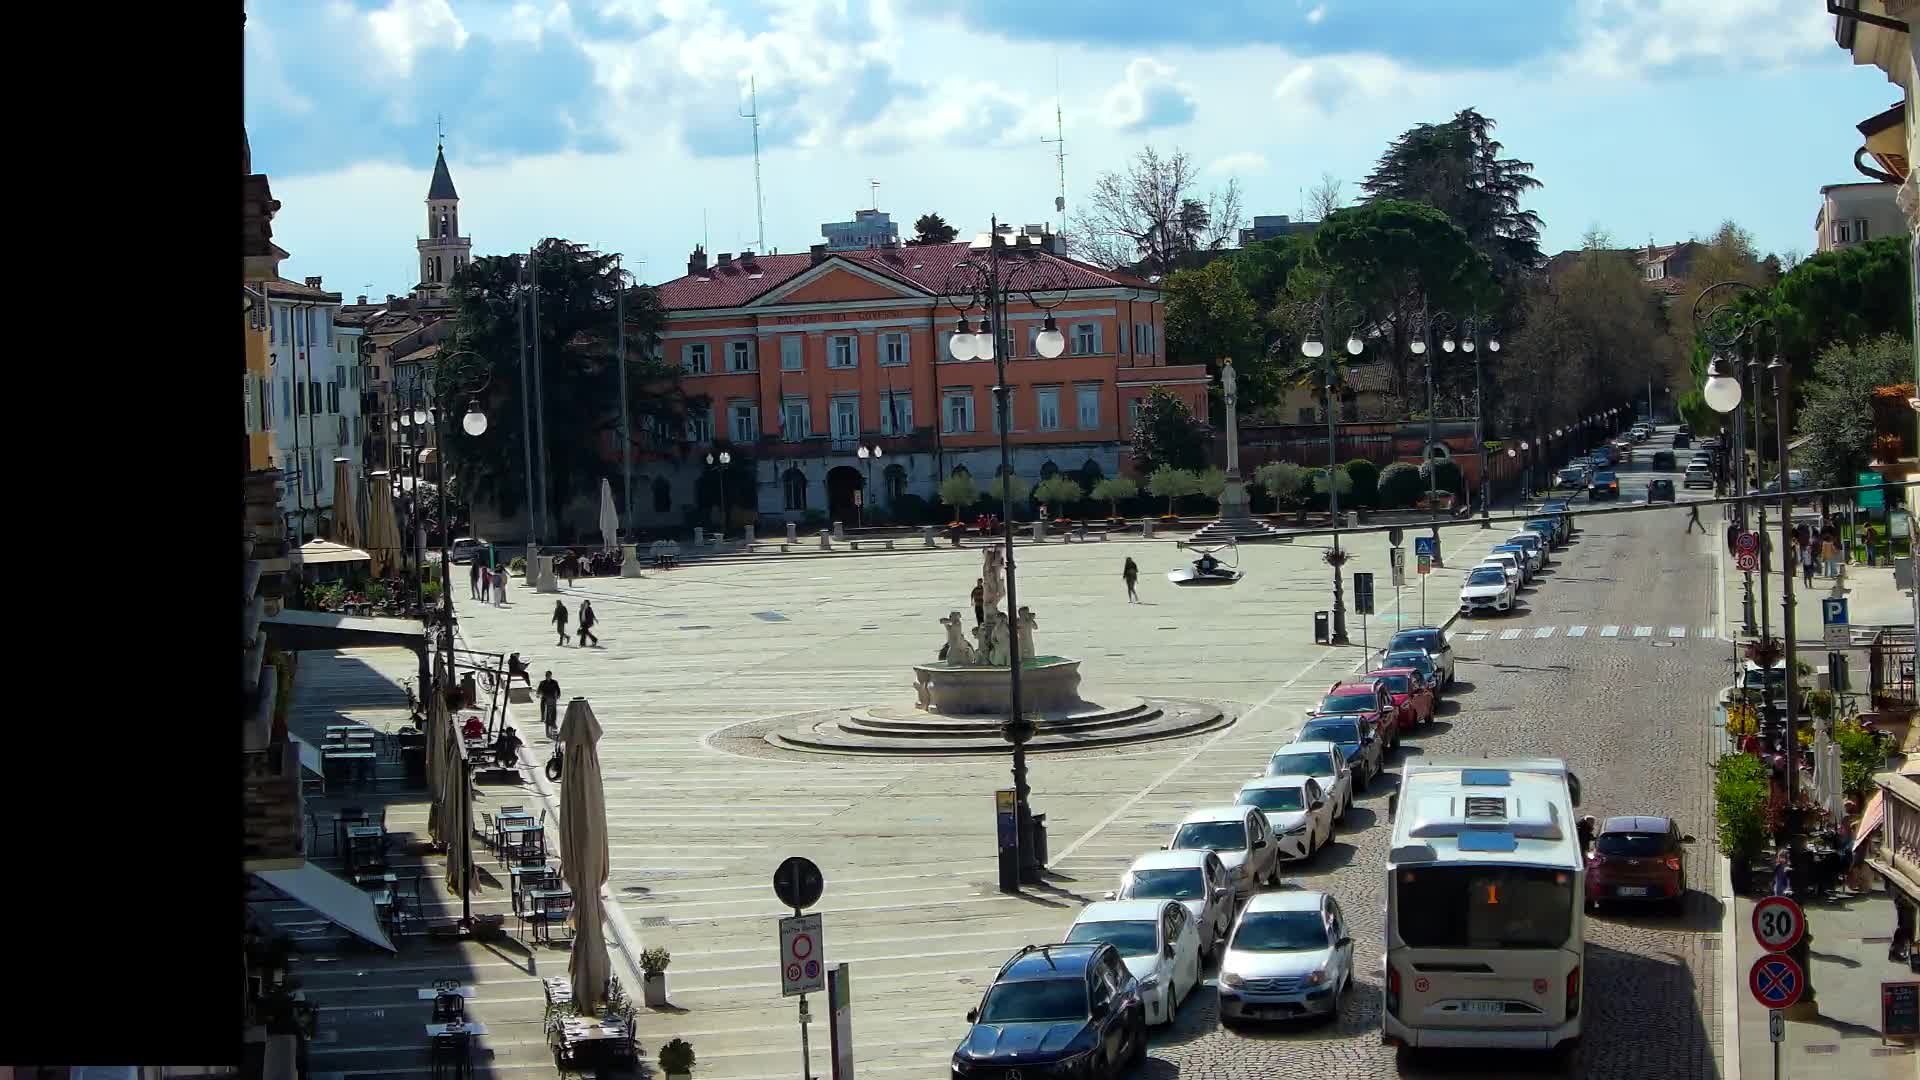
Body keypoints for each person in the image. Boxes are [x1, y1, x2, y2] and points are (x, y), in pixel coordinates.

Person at [537, 670, 562, 736]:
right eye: (547, 675)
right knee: (542, 703)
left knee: (554, 709)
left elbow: (558, 690)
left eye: (549, 675)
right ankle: (543, 716)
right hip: (545, 697)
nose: (548, 676)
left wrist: (558, 695)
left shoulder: (554, 682)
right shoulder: (542, 683)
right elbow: (539, 689)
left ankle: (553, 722)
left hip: (552, 698)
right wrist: (538, 693)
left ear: (551, 676)